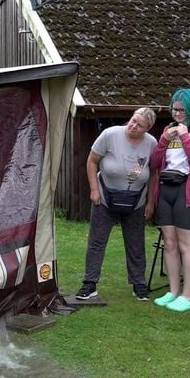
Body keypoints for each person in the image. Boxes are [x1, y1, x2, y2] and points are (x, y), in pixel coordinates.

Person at [75, 108, 158, 302]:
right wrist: (94, 190)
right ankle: (89, 283)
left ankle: (139, 285)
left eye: (139, 125)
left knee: (136, 244)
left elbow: (153, 174)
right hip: (104, 198)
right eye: (132, 120)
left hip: (136, 201)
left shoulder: (152, 144)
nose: (133, 126)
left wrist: (151, 202)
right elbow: (92, 161)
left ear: (148, 129)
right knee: (97, 241)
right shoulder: (110, 134)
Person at [150, 88, 190, 312]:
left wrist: (185, 136)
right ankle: (173, 291)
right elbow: (155, 162)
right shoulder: (168, 129)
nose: (177, 114)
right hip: (167, 188)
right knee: (169, 244)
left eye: (181, 110)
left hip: (189, 190)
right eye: (174, 110)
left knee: (187, 245)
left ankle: (188, 296)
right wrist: (163, 141)